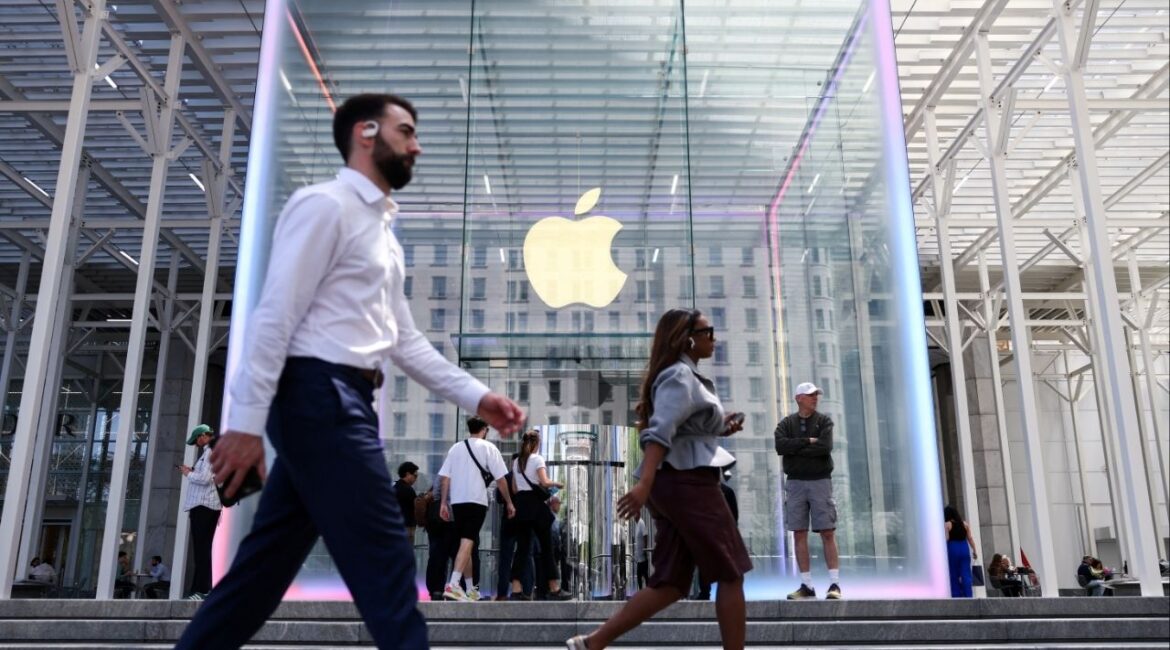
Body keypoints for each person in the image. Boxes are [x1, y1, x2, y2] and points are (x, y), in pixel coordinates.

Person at [175, 94, 525, 650]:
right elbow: (274, 317)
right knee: (387, 561)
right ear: (366, 132)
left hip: (338, 401)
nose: (417, 144)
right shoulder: (326, 206)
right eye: (405, 130)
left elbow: (404, 341)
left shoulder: (381, 232)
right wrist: (242, 425)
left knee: (257, 578)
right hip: (323, 398)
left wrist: (479, 397)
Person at [567, 308, 751, 650]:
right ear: (687, 338)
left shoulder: (684, 376)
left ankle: (592, 643)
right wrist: (644, 483)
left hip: (678, 483)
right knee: (731, 571)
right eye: (708, 331)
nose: (714, 338)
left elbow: (681, 429)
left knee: (671, 583)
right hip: (688, 483)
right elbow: (660, 431)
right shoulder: (679, 375)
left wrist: (721, 425)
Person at [774, 382, 841, 600]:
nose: (815, 398)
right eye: (810, 395)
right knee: (798, 531)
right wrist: (806, 441)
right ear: (798, 398)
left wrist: (797, 448)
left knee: (827, 531)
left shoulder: (824, 421)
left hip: (820, 480)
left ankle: (834, 584)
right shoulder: (786, 423)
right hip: (795, 483)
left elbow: (825, 447)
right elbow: (780, 447)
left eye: (816, 395)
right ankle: (807, 585)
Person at [439, 416, 516, 601]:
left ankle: (471, 589)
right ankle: (453, 584)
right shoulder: (489, 448)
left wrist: (443, 502)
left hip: (457, 501)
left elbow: (445, 477)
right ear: (484, 429)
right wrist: (509, 502)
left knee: (467, 541)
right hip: (476, 501)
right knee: (467, 541)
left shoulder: (456, 448)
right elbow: (501, 479)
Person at [511, 429, 571, 600]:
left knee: (522, 549)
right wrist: (557, 484)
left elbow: (515, 489)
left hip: (521, 506)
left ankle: (516, 590)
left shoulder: (516, 462)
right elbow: (544, 482)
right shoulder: (537, 459)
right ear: (537, 443)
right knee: (547, 548)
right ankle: (554, 588)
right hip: (536, 507)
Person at [179, 423, 222, 600]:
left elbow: (204, 479)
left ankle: (201, 590)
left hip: (203, 506)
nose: (197, 444)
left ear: (203, 435)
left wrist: (187, 474)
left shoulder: (210, 452)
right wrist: (194, 470)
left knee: (201, 549)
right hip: (208, 506)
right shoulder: (212, 452)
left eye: (197, 440)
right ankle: (202, 589)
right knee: (203, 549)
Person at [697, 468, 740, 600]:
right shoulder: (705, 491)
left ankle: (709, 592)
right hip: (711, 534)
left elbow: (733, 517)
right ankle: (706, 592)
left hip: (719, 534)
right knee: (706, 563)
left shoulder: (725, 492)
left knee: (713, 564)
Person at [943, 505, 978, 598]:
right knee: (966, 573)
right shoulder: (965, 524)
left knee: (953, 573)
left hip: (953, 548)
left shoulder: (947, 524)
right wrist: (974, 550)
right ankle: (968, 595)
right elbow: (970, 538)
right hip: (964, 548)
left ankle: (956, 595)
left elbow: (946, 538)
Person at [394, 462, 420, 543]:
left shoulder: (395, 486)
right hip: (407, 527)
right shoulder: (408, 490)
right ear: (408, 474)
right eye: (415, 476)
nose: (416, 479)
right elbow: (416, 507)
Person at [633, 510, 649, 590]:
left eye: (634, 513)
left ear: (638, 513)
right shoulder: (637, 524)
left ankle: (645, 591)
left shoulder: (641, 523)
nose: (633, 516)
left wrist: (645, 550)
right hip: (639, 556)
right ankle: (643, 591)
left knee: (642, 574)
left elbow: (645, 535)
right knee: (642, 575)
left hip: (642, 556)